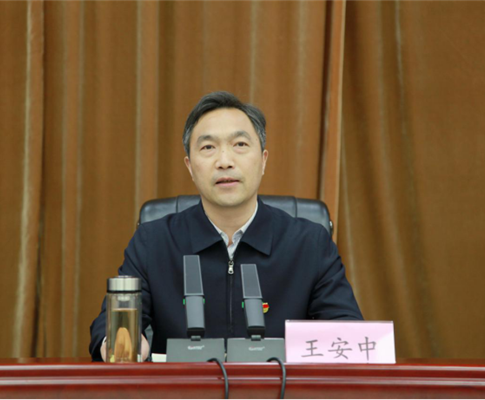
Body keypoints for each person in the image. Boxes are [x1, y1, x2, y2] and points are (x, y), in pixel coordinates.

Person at [89, 91, 363, 361]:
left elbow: (347, 332)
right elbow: (110, 328)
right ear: (190, 166)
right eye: (208, 147)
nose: (225, 161)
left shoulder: (309, 243)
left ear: (263, 160)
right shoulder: (154, 242)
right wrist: (124, 345)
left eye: (240, 144)